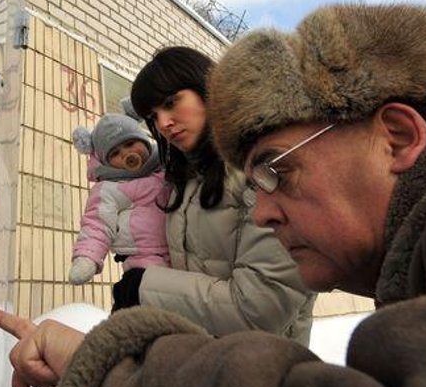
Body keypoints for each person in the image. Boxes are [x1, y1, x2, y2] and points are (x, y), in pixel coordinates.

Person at [0, 3, 426, 387]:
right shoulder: (179, 183)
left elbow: (262, 309)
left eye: (274, 169)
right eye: (152, 115)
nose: (263, 212)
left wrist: (123, 337)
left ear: (396, 137)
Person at [113, 46, 313, 340]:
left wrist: (143, 287)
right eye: (153, 117)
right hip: (202, 366)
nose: (164, 123)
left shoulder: (265, 171)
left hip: (262, 372)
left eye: (171, 102)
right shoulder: (186, 181)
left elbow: (260, 310)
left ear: (207, 89)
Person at [67, 112, 172, 312]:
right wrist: (87, 258)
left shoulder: (167, 166)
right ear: (105, 162)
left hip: (183, 253)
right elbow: (97, 225)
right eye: (114, 153)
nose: (125, 154)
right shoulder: (109, 188)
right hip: (144, 261)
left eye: (131, 143)